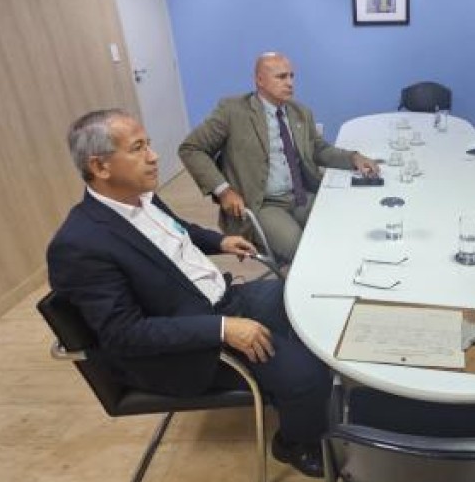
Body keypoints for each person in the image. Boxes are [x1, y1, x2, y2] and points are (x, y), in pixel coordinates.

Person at [47, 109, 329, 477]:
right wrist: (222, 329)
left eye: (148, 144)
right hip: (191, 344)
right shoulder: (80, 244)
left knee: (308, 300)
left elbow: (178, 231)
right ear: (100, 167)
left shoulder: (141, 198)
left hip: (219, 301)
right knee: (308, 377)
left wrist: (219, 241)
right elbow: (123, 334)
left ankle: (293, 394)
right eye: (137, 148)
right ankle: (293, 443)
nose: (154, 156)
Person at [179, 52, 380, 264]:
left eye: (291, 76)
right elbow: (191, 149)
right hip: (262, 205)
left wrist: (353, 158)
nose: (290, 83)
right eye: (281, 77)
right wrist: (224, 191)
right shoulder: (232, 111)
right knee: (302, 252)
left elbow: (318, 149)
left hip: (301, 196)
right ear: (260, 80)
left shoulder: (300, 112)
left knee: (344, 228)